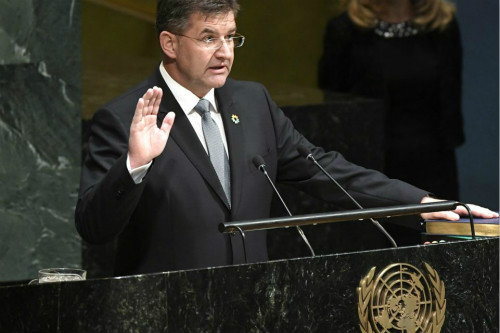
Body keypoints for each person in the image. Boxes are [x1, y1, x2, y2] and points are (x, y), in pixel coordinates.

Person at [76, 0, 497, 277]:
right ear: (169, 42)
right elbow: (94, 228)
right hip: (170, 314)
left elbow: (329, 173)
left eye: (231, 36)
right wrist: (134, 166)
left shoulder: (253, 102)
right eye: (209, 38)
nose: (225, 52)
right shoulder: (125, 117)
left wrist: (426, 206)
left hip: (256, 307)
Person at [318, 0, 463, 200]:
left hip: (433, 160)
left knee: (441, 225)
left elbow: (451, 96)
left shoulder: (441, 25)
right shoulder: (344, 29)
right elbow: (333, 107)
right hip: (369, 165)